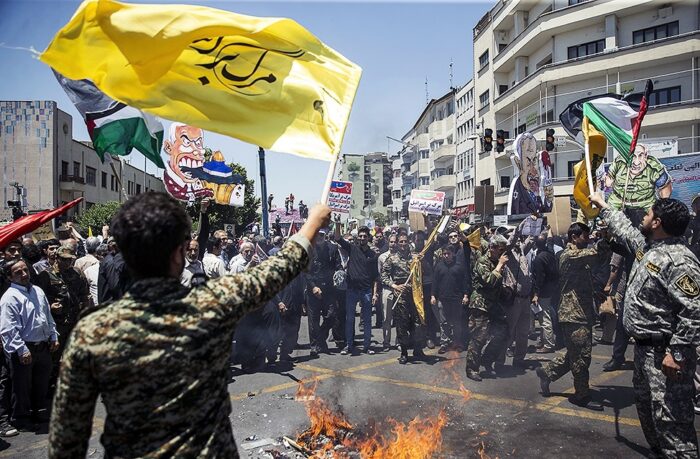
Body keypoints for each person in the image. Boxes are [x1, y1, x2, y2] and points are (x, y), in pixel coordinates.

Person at [48, 192, 330, 458]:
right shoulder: (209, 304)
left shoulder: (93, 329)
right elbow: (277, 270)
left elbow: (66, 438)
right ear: (178, 253)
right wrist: (312, 223)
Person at [591, 193, 700, 457]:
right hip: (643, 351)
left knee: (672, 423)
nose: (644, 216)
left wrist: (677, 353)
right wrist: (604, 207)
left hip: (664, 356)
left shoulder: (679, 261)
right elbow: (625, 230)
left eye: (648, 213)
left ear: (657, 223)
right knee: (648, 411)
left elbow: (695, 310)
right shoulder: (649, 249)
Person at [536, 222, 609, 411]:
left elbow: (589, 273)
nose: (588, 239)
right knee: (581, 357)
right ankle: (581, 395)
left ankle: (547, 372)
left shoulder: (579, 257)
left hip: (581, 313)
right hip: (572, 314)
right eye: (585, 236)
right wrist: (606, 237)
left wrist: (596, 293)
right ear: (574, 237)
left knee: (575, 354)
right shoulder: (568, 255)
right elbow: (596, 254)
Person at [0, 259, 59, 431]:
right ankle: (21, 418)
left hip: (42, 346)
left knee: (41, 382)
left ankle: (38, 411)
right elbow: (8, 328)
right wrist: (21, 349)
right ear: (10, 276)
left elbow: (47, 316)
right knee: (21, 387)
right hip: (24, 349)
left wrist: (53, 335)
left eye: (25, 270)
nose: (24, 274)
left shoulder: (37, 291)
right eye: (18, 272)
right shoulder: (9, 298)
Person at [465, 235, 511, 382]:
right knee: (478, 337)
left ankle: (487, 359)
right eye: (500, 250)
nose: (502, 253)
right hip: (480, 304)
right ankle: (472, 368)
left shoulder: (497, 261)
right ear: (492, 248)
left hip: (494, 304)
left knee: (503, 332)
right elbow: (490, 281)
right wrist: (499, 266)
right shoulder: (482, 262)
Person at [334, 226, 379, 355]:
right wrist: (337, 223)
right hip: (352, 290)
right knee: (350, 319)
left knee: (367, 320)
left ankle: (366, 346)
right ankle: (349, 346)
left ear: (368, 238)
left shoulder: (373, 254)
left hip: (366, 291)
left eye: (365, 236)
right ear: (357, 237)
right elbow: (338, 238)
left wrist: (375, 293)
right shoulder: (352, 248)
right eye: (360, 236)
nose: (362, 238)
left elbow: (376, 277)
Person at [381, 233, 424, 364]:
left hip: (415, 293)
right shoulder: (392, 258)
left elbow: (424, 271)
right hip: (401, 295)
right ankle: (404, 352)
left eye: (405, 241)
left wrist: (422, 261)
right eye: (401, 242)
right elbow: (384, 275)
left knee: (417, 323)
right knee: (402, 324)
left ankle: (418, 349)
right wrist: (394, 286)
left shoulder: (415, 257)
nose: (403, 244)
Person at [305, 230, 339, 356]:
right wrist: (313, 287)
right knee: (313, 320)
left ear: (325, 236)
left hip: (329, 289)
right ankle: (315, 346)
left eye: (322, 235)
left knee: (331, 316)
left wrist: (339, 273)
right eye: (317, 234)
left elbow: (338, 265)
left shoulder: (333, 248)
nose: (319, 237)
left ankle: (320, 339)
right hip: (313, 289)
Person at [431, 245, 469, 354]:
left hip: (456, 299)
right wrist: (433, 295)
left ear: (452, 254)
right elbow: (435, 282)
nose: (446, 256)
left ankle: (457, 343)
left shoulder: (459, 266)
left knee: (457, 323)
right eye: (444, 254)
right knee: (444, 323)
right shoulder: (439, 267)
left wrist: (466, 295)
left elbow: (464, 282)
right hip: (443, 300)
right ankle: (444, 343)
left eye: (448, 254)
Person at [531, 231, 559, 354]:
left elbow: (539, 278)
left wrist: (536, 294)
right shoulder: (550, 254)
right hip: (552, 289)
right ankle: (543, 341)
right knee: (545, 316)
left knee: (545, 318)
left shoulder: (539, 259)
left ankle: (548, 344)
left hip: (544, 291)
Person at [378, 234, 398, 350]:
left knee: (399, 317)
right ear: (388, 242)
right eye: (391, 242)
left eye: (395, 242)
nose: (393, 244)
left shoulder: (402, 256)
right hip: (387, 289)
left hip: (399, 289)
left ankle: (399, 342)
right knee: (386, 317)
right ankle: (386, 341)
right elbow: (380, 275)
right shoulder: (381, 257)